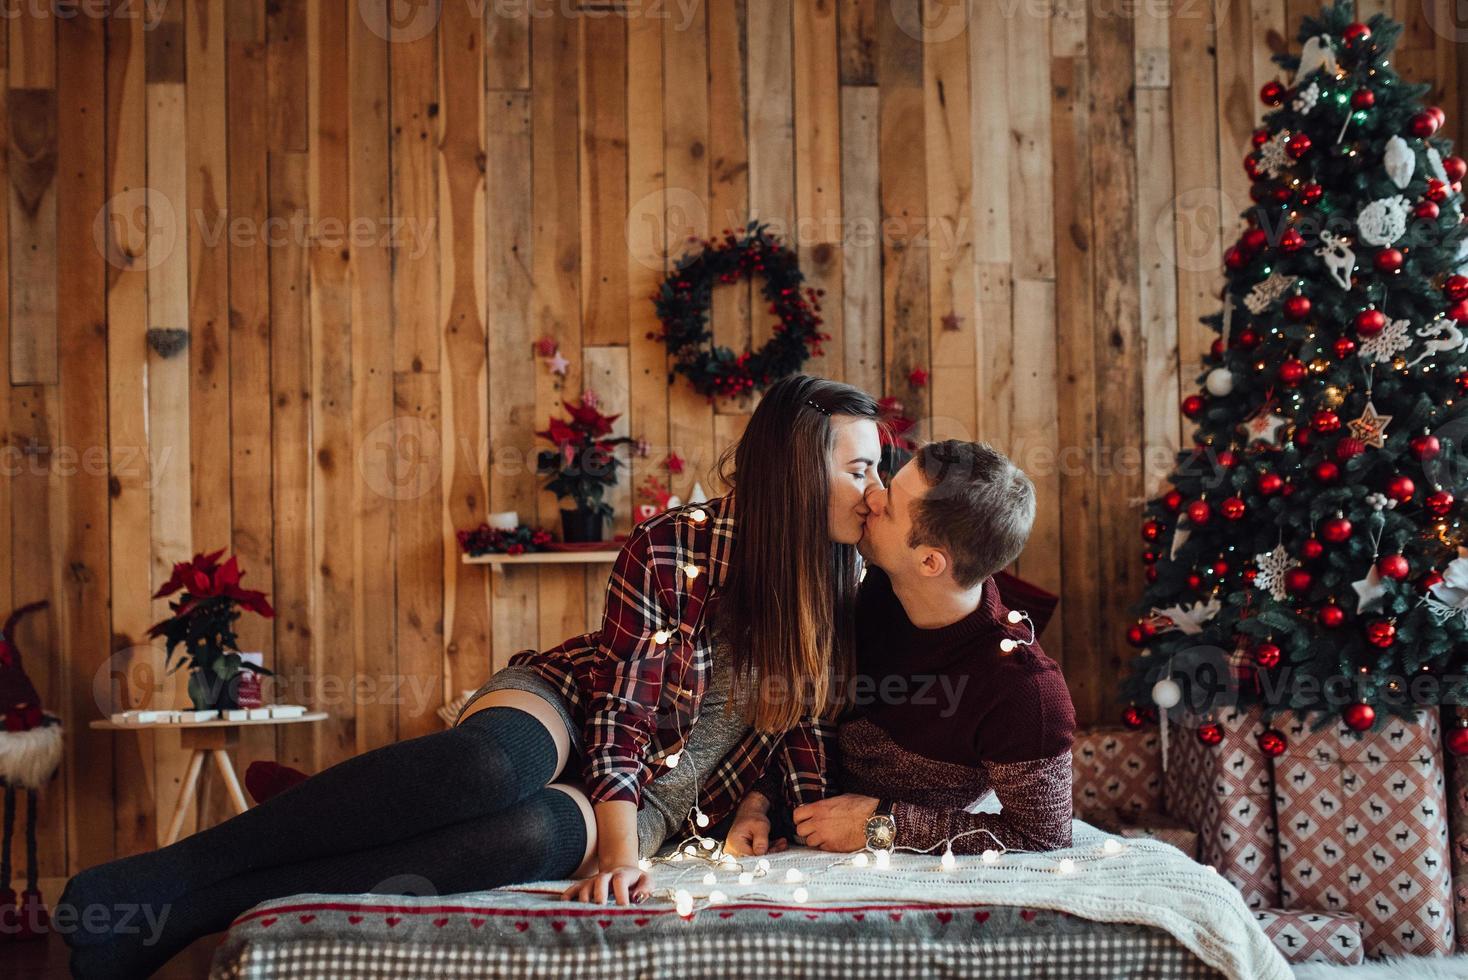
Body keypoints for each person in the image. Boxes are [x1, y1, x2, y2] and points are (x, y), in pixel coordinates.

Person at [57, 375, 885, 979]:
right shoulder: (677, 544)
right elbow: (622, 713)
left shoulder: (847, 587)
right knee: (486, 768)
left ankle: (175, 918)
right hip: (569, 706)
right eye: (858, 470)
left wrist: (750, 807)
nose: (874, 491)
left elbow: (802, 738)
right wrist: (617, 847)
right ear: (793, 472)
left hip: (666, 801)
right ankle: (167, 874)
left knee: (523, 836)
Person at [726, 440, 1076, 859]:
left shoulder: (1024, 691)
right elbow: (796, 711)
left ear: (930, 562)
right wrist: (756, 802)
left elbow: (1043, 837)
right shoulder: (863, 590)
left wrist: (882, 824)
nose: (871, 496)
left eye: (889, 505)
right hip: (786, 830)